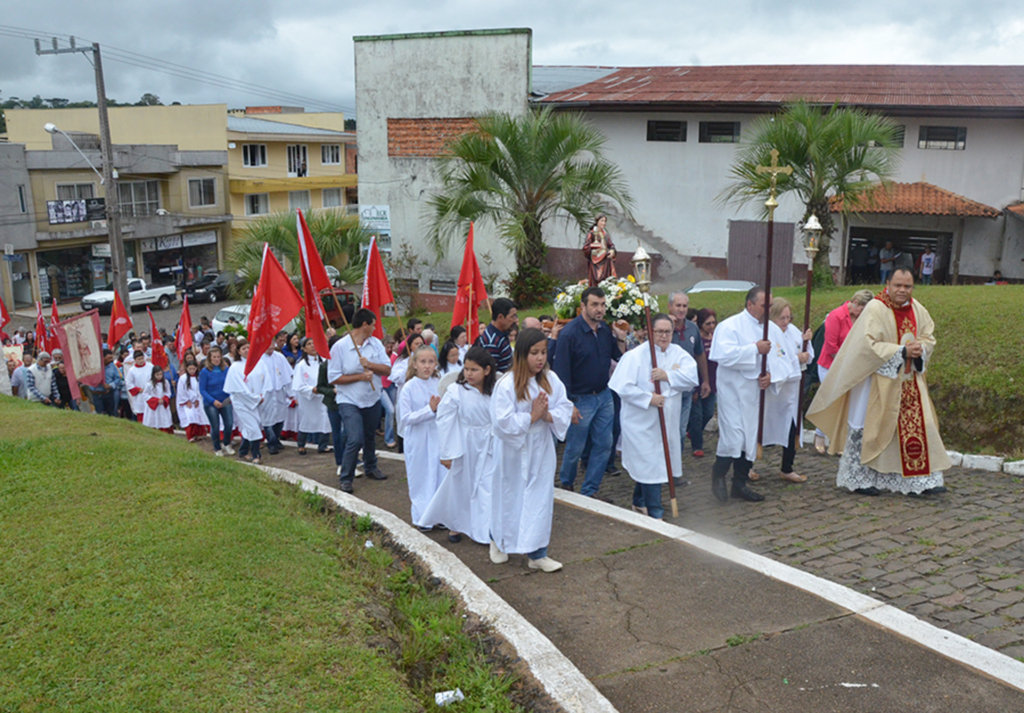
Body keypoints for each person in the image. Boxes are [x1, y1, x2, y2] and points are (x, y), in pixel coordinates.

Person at [808, 268, 950, 496]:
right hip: (873, 382)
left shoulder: (917, 309)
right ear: (888, 284)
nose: (903, 290)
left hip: (907, 381)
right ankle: (861, 479)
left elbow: (928, 336)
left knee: (919, 428)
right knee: (869, 428)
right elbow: (865, 345)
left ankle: (919, 481)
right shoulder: (875, 308)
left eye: (908, 286)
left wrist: (920, 348)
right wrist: (902, 351)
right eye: (898, 285)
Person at [489, 328, 573, 573]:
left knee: (539, 498)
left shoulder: (551, 380)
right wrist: (531, 417)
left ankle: (537, 553)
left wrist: (546, 415)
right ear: (522, 354)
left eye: (544, 352)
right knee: (509, 495)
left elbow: (565, 407)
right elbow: (501, 422)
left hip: (540, 447)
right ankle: (498, 539)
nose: (540, 358)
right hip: (512, 450)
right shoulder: (506, 384)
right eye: (534, 353)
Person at [708, 286, 796, 503]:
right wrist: (754, 349)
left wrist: (771, 375)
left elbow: (786, 360)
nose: (769, 309)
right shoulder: (730, 326)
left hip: (756, 396)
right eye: (764, 305)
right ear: (750, 304)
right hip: (733, 393)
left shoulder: (772, 330)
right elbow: (721, 355)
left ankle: (739, 483)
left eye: (770, 305)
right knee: (734, 437)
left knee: (749, 439)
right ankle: (718, 476)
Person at [608, 313, 698, 518]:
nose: (664, 336)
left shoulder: (679, 354)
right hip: (642, 423)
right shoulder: (636, 356)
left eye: (668, 332)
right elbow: (621, 386)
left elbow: (692, 378)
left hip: (667, 421)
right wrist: (648, 398)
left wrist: (668, 376)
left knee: (656, 464)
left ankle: (639, 501)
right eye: (659, 332)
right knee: (649, 464)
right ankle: (655, 512)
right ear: (651, 332)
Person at [421, 346, 498, 544]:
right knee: (460, 485)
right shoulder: (456, 391)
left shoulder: (495, 390)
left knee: (486, 485)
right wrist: (447, 452)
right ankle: (455, 525)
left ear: (487, 371)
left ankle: (484, 530)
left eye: (475, 370)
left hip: (489, 445)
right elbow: (445, 421)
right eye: (467, 369)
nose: (469, 374)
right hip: (465, 444)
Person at [553, 286, 625, 497]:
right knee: (575, 447)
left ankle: (590, 490)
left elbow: (617, 357)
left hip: (603, 396)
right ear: (582, 306)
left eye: (602, 305)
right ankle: (566, 484)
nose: (599, 309)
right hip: (580, 399)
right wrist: (569, 404)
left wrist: (620, 339)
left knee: (605, 444)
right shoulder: (569, 335)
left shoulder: (604, 330)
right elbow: (561, 374)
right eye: (594, 304)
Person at [328, 308, 391, 493]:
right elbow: (333, 377)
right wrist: (359, 377)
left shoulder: (376, 344)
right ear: (364, 325)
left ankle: (371, 467)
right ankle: (346, 477)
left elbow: (387, 370)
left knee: (370, 436)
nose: (374, 328)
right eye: (373, 324)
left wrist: (370, 365)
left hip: (372, 398)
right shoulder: (340, 347)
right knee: (355, 438)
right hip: (349, 400)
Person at [814, 289, 874, 453]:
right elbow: (831, 346)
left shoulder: (861, 319)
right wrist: (846, 362)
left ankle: (837, 440)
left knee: (846, 403)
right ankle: (819, 435)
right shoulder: (836, 316)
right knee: (830, 401)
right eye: (862, 310)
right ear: (855, 303)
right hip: (830, 365)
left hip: (850, 366)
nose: (863, 314)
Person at [764, 298, 813, 483]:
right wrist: (796, 358)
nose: (786, 321)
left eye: (788, 317)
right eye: (781, 318)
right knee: (762, 426)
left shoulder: (792, 331)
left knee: (792, 428)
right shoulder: (769, 332)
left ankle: (787, 467)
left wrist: (805, 343)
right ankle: (749, 465)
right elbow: (775, 359)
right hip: (774, 390)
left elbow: (807, 356)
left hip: (791, 389)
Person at [398, 346, 446, 530]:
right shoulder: (409, 387)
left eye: (431, 362)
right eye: (423, 362)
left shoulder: (439, 383)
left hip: (437, 435)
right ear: (415, 364)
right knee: (421, 476)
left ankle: (440, 515)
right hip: (418, 438)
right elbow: (406, 418)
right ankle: (422, 517)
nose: (427, 366)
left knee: (440, 475)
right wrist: (429, 410)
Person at [668, 291, 711, 458]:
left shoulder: (692, 328)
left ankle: (675, 468)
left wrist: (705, 380)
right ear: (670, 306)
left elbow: (699, 354)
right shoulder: (662, 327)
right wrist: (668, 328)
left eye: (684, 306)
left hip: (686, 389)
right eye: (678, 305)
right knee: (667, 430)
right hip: (667, 389)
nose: (681, 309)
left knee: (679, 431)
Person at [224, 342, 264, 463]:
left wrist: (262, 395)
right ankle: (256, 455)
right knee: (253, 428)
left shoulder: (259, 363)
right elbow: (239, 389)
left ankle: (243, 452)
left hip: (257, 401)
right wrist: (255, 398)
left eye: (248, 347)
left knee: (251, 426)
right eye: (243, 348)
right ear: (239, 351)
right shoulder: (235, 367)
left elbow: (266, 380)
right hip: (242, 403)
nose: (247, 350)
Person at [292, 337, 331, 455]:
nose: (313, 346)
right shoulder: (301, 365)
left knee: (324, 420)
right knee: (306, 421)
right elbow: (298, 385)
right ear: (304, 348)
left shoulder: (324, 361)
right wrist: (312, 390)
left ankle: (323, 445)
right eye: (309, 344)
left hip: (322, 397)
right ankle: (301, 444)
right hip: (308, 399)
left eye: (314, 343)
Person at [688, 309, 718, 456]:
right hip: (698, 381)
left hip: (713, 381)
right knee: (697, 415)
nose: (711, 326)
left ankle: (693, 431)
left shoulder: (717, 338)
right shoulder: (697, 339)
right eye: (708, 323)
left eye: (713, 323)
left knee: (708, 413)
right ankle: (697, 446)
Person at [199, 345, 235, 456]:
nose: (216, 359)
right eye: (214, 357)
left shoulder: (226, 370)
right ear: (210, 358)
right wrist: (213, 401)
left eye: (218, 357)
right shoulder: (205, 372)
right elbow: (202, 390)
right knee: (215, 426)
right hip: (211, 403)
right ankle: (217, 448)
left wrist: (229, 397)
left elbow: (231, 384)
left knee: (229, 424)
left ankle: (226, 443)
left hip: (225, 400)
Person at [475, 298, 518, 373]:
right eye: (512, 316)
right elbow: (492, 373)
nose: (515, 320)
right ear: (500, 317)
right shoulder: (491, 342)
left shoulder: (502, 333)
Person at [177, 362, 210, 442]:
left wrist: (198, 399)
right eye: (190, 369)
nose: (192, 371)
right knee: (190, 417)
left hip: (198, 401)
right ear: (186, 369)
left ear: (196, 368)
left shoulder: (199, 377)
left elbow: (201, 388)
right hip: (187, 402)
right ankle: (190, 436)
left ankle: (199, 434)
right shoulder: (183, 378)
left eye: (193, 369)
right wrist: (186, 401)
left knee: (199, 417)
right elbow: (181, 391)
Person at [583, 214, 617, 286]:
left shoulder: (605, 235)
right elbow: (586, 247)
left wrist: (612, 251)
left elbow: (611, 245)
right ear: (597, 222)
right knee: (595, 281)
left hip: (606, 262)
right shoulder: (591, 234)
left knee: (606, 281)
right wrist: (595, 248)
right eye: (602, 221)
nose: (603, 223)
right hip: (595, 261)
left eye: (605, 221)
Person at [125, 350, 154, 421]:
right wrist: (139, 390)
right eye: (139, 359)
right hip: (139, 396)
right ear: (135, 360)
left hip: (150, 393)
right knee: (141, 414)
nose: (141, 361)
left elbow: (154, 378)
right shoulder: (132, 370)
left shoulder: (150, 366)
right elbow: (129, 383)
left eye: (142, 358)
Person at [141, 368, 173, 433]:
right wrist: (156, 400)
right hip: (154, 407)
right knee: (153, 421)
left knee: (164, 420)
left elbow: (168, 392)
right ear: (153, 375)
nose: (159, 376)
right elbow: (145, 394)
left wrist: (164, 399)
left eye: (161, 374)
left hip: (162, 405)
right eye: (157, 375)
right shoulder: (149, 384)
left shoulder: (165, 382)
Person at [91, 349, 121, 417]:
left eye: (111, 358)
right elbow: (90, 379)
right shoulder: (94, 367)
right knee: (100, 414)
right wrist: (98, 382)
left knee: (111, 413)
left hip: (108, 394)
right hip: (97, 394)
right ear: (103, 358)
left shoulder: (112, 366)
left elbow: (117, 378)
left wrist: (110, 385)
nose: (111, 360)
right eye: (109, 358)